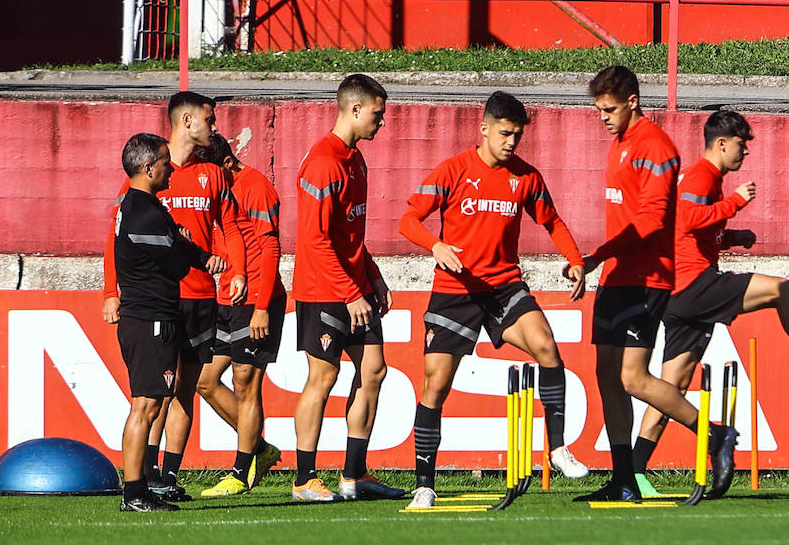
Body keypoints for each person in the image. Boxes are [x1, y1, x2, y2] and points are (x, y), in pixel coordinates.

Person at [631, 109, 789, 499]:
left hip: (680, 294)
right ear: (722, 143)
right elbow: (688, 220)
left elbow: (695, 232)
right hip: (693, 285)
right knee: (782, 289)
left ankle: (636, 472)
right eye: (741, 145)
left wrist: (732, 237)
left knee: (670, 388)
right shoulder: (701, 175)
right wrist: (735, 204)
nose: (745, 153)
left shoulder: (704, 178)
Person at [398, 91, 591, 510]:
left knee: (547, 348)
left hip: (504, 286)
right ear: (483, 129)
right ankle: (424, 484)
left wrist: (575, 260)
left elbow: (552, 221)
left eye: (517, 136)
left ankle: (557, 449)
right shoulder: (453, 171)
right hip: (456, 292)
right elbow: (408, 220)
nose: (511, 142)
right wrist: (436, 246)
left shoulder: (526, 177)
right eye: (505, 133)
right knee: (435, 386)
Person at [574, 65, 737, 502]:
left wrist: (598, 255)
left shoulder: (656, 147)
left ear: (632, 101)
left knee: (632, 377)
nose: (603, 116)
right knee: (608, 377)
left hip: (647, 278)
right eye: (598, 110)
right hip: (616, 276)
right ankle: (624, 479)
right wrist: (601, 262)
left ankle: (715, 434)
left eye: (609, 109)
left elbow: (652, 219)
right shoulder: (620, 145)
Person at [102, 91, 250, 501]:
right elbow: (123, 242)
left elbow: (231, 228)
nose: (216, 128)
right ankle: (140, 481)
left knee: (179, 389)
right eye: (210, 120)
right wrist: (110, 291)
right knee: (152, 399)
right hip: (154, 306)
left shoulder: (213, 174)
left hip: (194, 298)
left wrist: (232, 269)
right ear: (187, 121)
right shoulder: (140, 192)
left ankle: (165, 474)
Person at [291, 73, 403, 502]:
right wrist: (350, 292)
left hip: (354, 287)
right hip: (323, 289)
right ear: (354, 110)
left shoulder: (356, 160)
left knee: (373, 370)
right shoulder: (323, 162)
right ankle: (304, 480)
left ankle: (355, 477)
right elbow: (315, 241)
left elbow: (351, 234)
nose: (383, 121)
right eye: (378, 113)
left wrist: (372, 276)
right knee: (323, 375)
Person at [113, 133, 221, 511]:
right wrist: (185, 247)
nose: (169, 167)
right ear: (147, 168)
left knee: (153, 404)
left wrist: (200, 253)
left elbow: (176, 245)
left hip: (151, 318)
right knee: (145, 405)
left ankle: (138, 488)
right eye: (163, 161)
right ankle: (135, 493)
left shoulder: (143, 206)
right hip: (148, 319)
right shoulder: (144, 211)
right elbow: (174, 262)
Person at [195, 134, 286, 497]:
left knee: (245, 382)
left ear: (228, 164)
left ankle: (239, 470)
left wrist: (262, 306)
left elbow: (270, 247)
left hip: (258, 301)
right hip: (225, 299)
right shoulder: (215, 189)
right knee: (204, 381)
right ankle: (260, 451)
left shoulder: (256, 187)